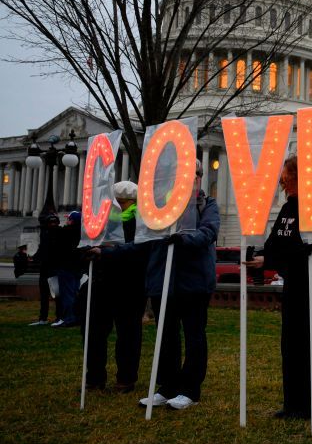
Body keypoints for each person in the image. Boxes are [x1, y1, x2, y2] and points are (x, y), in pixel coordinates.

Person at [245, 156, 312, 420]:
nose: (282, 180)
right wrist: (264, 259)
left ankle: (307, 404)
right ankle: (291, 402)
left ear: (299, 176)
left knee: (307, 341)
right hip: (293, 280)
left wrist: (299, 250)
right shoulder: (287, 208)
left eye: (287, 175)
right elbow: (275, 244)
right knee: (289, 343)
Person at [138, 161, 220, 411]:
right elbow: (145, 237)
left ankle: (190, 389)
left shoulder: (208, 205)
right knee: (166, 336)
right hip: (164, 281)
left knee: (194, 336)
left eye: (193, 175)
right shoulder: (161, 207)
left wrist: (183, 238)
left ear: (198, 178)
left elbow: (209, 232)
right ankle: (167, 386)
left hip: (194, 282)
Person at [83, 181, 148, 392]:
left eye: (122, 202)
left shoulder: (141, 220)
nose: (119, 206)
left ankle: (126, 378)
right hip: (105, 281)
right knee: (96, 333)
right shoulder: (105, 220)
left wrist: (106, 253)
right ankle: (94, 377)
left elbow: (139, 249)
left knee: (127, 333)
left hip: (130, 283)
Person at [30, 213, 60, 326]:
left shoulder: (56, 234)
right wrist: (35, 257)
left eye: (54, 222)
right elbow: (42, 249)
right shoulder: (45, 234)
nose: (52, 224)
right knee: (44, 295)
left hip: (53, 268)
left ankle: (58, 317)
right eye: (51, 222)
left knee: (57, 294)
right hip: (46, 269)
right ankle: (43, 318)